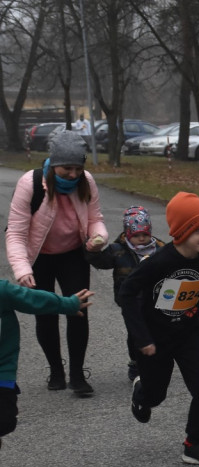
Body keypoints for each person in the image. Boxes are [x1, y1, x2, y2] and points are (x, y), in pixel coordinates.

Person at [119, 192, 199, 467]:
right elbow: (127, 293)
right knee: (156, 395)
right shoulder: (159, 262)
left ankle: (193, 444)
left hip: (189, 335)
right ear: (182, 232)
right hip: (155, 340)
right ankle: (142, 394)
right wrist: (142, 337)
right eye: (198, 230)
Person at [5, 130, 107, 396]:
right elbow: (15, 232)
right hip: (39, 257)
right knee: (47, 312)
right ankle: (56, 370)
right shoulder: (31, 183)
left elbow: (96, 217)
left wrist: (99, 237)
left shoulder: (86, 181)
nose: (73, 175)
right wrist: (22, 269)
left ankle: (77, 374)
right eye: (66, 169)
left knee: (78, 310)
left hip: (73, 254)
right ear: (53, 163)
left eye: (78, 168)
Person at [0, 281, 92, 449]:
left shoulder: (2, 291)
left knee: (5, 421)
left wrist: (68, 304)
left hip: (1, 371)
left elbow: (32, 299)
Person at [83, 206, 166, 381]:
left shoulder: (159, 248)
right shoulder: (118, 249)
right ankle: (136, 362)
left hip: (154, 299)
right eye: (136, 235)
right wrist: (92, 249)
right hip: (131, 301)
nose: (142, 239)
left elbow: (171, 264)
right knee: (135, 332)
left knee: (157, 330)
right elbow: (102, 262)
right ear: (128, 234)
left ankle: (155, 361)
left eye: (145, 234)